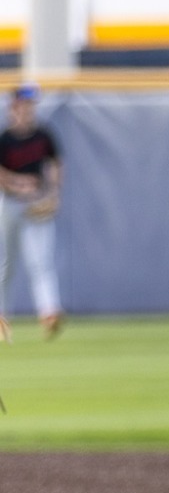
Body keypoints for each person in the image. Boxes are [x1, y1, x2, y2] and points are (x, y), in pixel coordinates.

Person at [0, 82, 64, 341]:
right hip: (10, 202)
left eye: (31, 105)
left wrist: (53, 194)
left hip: (37, 201)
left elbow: (56, 164)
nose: (28, 110)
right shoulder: (5, 138)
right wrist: (18, 183)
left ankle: (49, 313)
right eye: (24, 105)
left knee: (41, 261)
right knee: (6, 263)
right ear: (14, 106)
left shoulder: (43, 135)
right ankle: (2, 316)